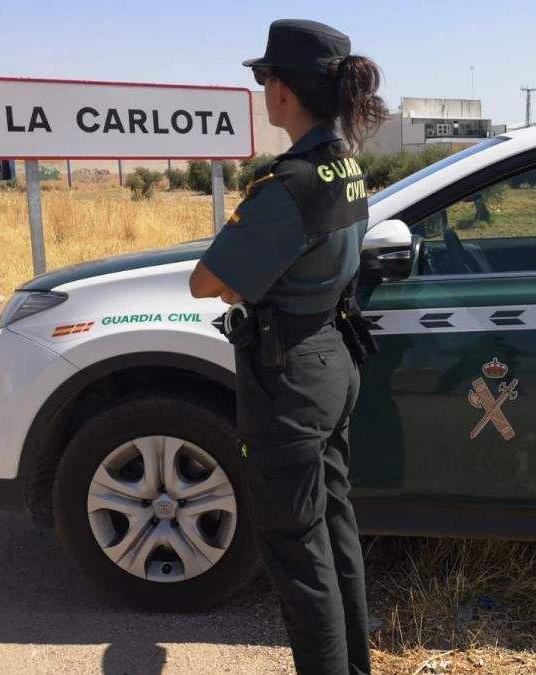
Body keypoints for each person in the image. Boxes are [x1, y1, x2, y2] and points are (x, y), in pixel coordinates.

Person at [187, 19, 388, 675]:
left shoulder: (292, 183)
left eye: (263, 76)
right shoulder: (347, 165)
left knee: (299, 557)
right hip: (332, 359)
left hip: (291, 381)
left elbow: (207, 281)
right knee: (333, 531)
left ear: (284, 91)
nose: (261, 89)